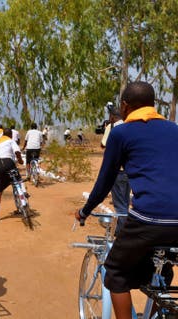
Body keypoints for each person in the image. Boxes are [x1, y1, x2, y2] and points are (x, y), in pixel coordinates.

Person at [75, 81, 178, 319]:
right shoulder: (174, 129)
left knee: (115, 272)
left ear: (124, 106)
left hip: (148, 219)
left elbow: (105, 181)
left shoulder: (121, 132)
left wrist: (85, 210)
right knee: (164, 268)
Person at [101, 102, 131, 235]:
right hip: (129, 172)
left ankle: (121, 233)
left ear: (112, 117)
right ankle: (123, 229)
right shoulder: (130, 127)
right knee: (124, 202)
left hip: (117, 172)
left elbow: (103, 144)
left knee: (119, 205)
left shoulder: (112, 128)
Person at [0, 128, 27, 221]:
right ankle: (24, 191)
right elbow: (17, 151)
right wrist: (20, 160)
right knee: (18, 179)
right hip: (8, 162)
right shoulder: (10, 141)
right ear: (11, 135)